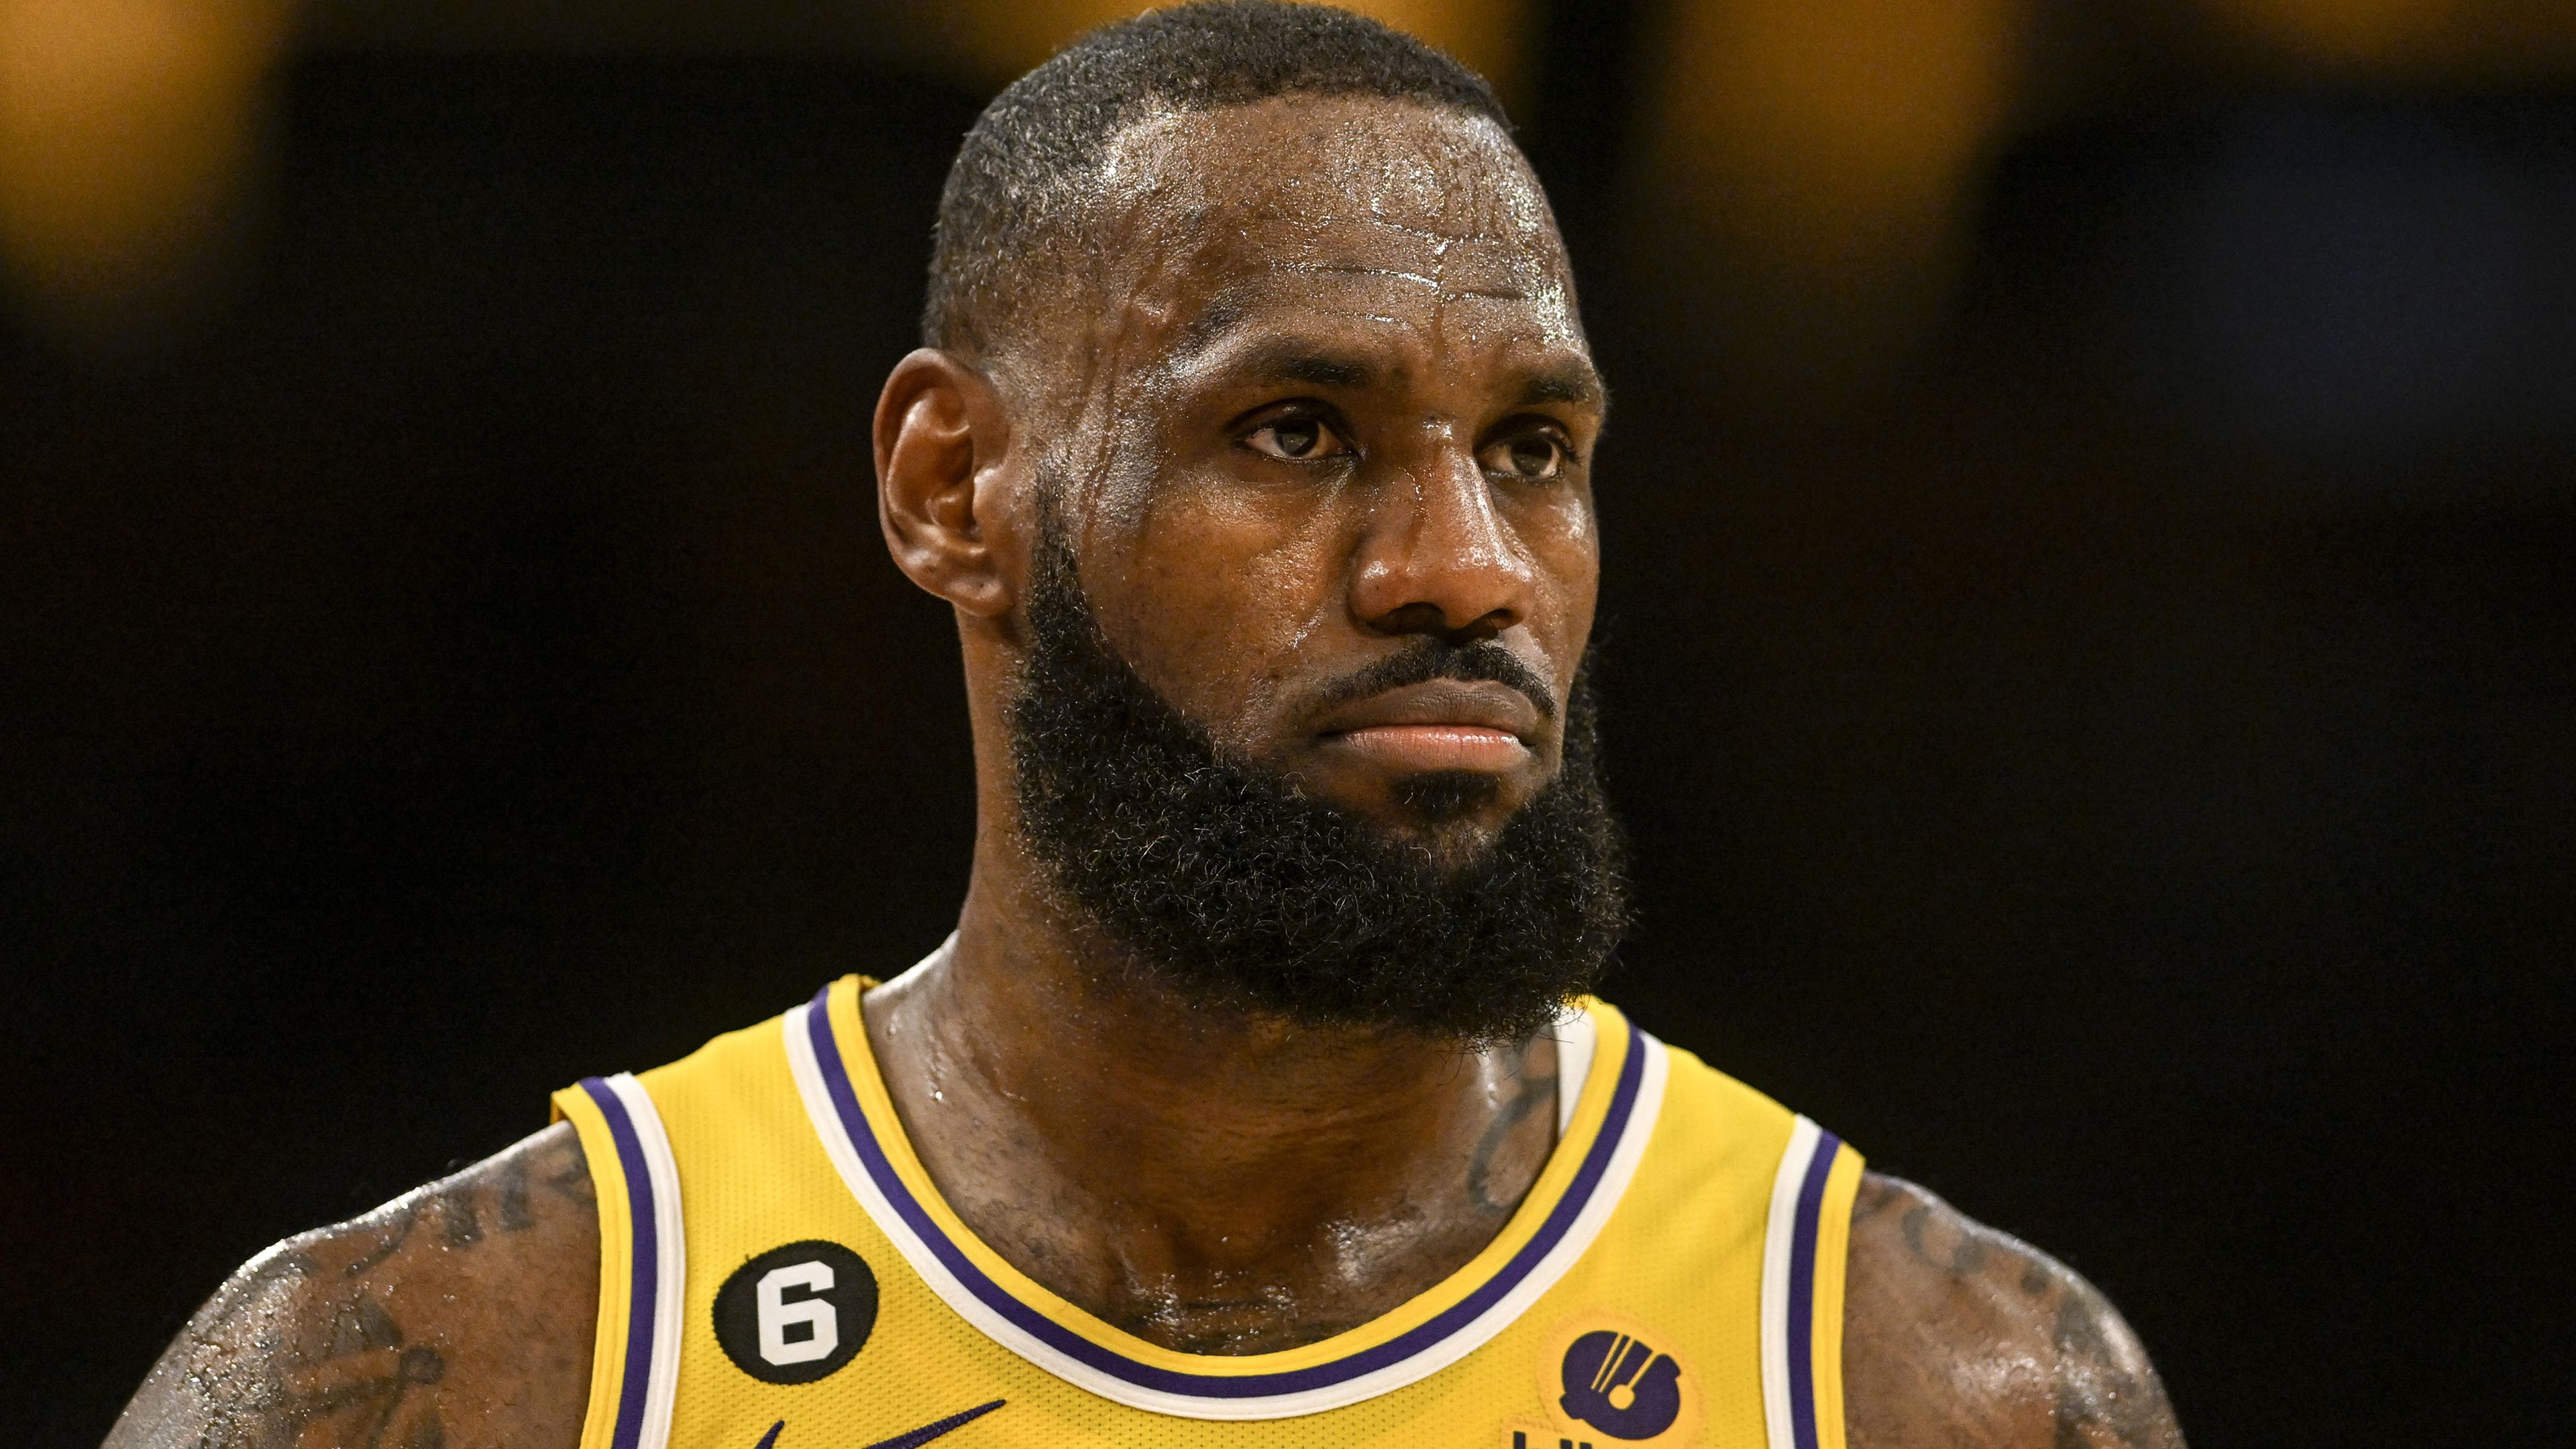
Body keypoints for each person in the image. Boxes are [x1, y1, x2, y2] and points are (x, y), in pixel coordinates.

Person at [107, 5, 2185, 1447]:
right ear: (951, 491)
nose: (1466, 568)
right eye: (1299, 434)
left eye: (1536, 447)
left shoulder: (1942, 1382)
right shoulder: (457, 1367)